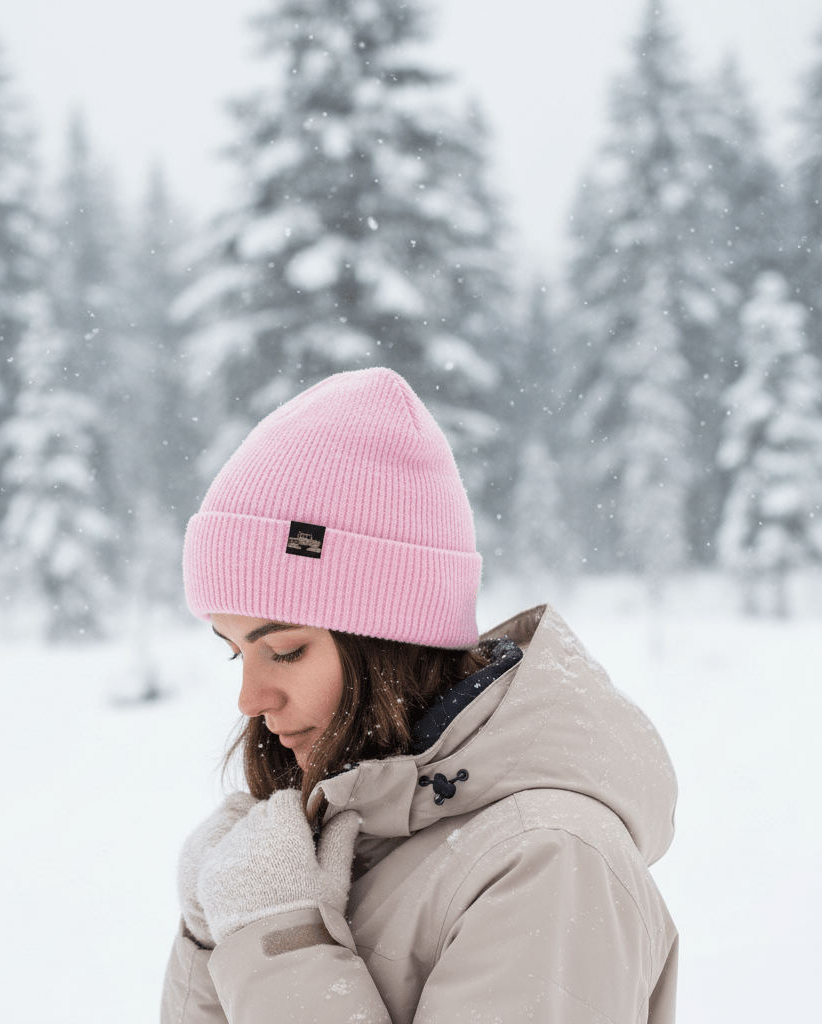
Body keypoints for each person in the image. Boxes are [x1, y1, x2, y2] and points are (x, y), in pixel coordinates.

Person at [161, 367, 678, 1024]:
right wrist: (215, 937)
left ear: (387, 642)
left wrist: (278, 943)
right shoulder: (354, 829)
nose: (250, 697)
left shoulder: (550, 863)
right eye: (235, 651)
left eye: (285, 650)